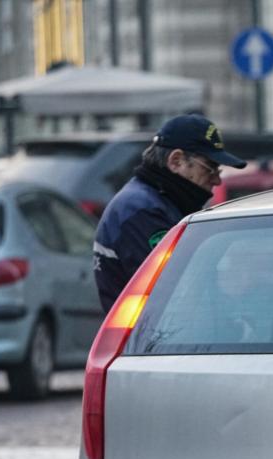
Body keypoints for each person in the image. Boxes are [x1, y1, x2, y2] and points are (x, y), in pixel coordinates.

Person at [93, 114, 247, 311]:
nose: (217, 180)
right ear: (176, 161)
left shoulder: (160, 201)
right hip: (155, 339)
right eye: (210, 168)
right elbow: (178, 291)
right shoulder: (142, 211)